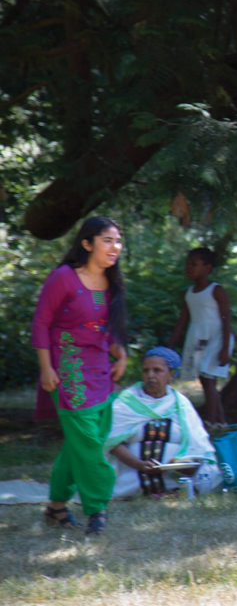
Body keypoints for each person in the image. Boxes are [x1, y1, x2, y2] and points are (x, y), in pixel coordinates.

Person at [32, 216, 128, 536]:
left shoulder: (112, 284)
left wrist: (121, 353)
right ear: (87, 244)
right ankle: (97, 508)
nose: (115, 247)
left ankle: (56, 506)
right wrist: (46, 368)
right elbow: (41, 323)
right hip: (68, 373)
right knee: (88, 443)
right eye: (107, 240)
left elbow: (108, 328)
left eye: (118, 240)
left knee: (82, 443)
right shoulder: (63, 278)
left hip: (101, 371)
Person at [105, 347, 223, 499]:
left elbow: (198, 443)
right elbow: (113, 442)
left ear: (171, 375)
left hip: (174, 472)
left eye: (157, 370)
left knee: (210, 475)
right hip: (132, 471)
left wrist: (184, 461)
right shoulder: (126, 402)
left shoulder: (181, 404)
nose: (150, 376)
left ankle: (173, 488)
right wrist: (139, 464)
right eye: (146, 371)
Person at [168, 247, 233, 427]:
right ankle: (221, 422)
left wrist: (225, 348)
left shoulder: (216, 290)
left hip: (217, 338)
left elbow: (227, 319)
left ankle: (210, 422)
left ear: (208, 267)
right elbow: (183, 321)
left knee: (208, 379)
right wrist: (169, 347)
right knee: (206, 380)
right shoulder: (189, 293)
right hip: (198, 338)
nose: (189, 268)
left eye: (194, 264)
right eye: (188, 264)